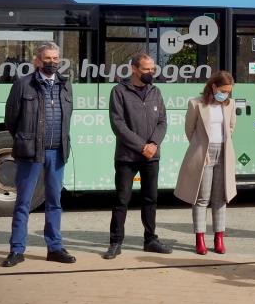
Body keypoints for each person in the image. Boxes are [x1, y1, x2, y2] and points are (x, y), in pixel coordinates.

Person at [2, 42, 75, 267]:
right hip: (30, 152)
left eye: (56, 58)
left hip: (57, 151)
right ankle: (16, 250)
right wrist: (26, 139)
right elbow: (11, 120)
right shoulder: (23, 85)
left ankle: (54, 248)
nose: (52, 62)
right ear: (37, 60)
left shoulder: (65, 85)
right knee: (23, 202)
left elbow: (67, 117)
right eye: (48, 58)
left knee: (54, 201)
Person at [102, 53, 172, 259]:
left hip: (151, 156)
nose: (151, 73)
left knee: (151, 199)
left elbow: (162, 122)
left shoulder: (155, 91)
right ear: (134, 69)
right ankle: (115, 242)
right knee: (122, 200)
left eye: (153, 69)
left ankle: (150, 240)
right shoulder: (119, 91)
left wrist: (153, 144)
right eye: (146, 70)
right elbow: (118, 125)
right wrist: (142, 146)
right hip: (127, 157)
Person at [174, 71, 237, 255]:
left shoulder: (230, 104)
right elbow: (189, 129)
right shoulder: (196, 104)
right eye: (223, 90)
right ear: (214, 87)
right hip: (204, 154)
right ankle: (200, 239)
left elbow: (231, 127)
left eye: (229, 92)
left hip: (224, 153)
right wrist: (200, 148)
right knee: (202, 198)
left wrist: (223, 145)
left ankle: (219, 238)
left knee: (220, 198)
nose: (225, 94)